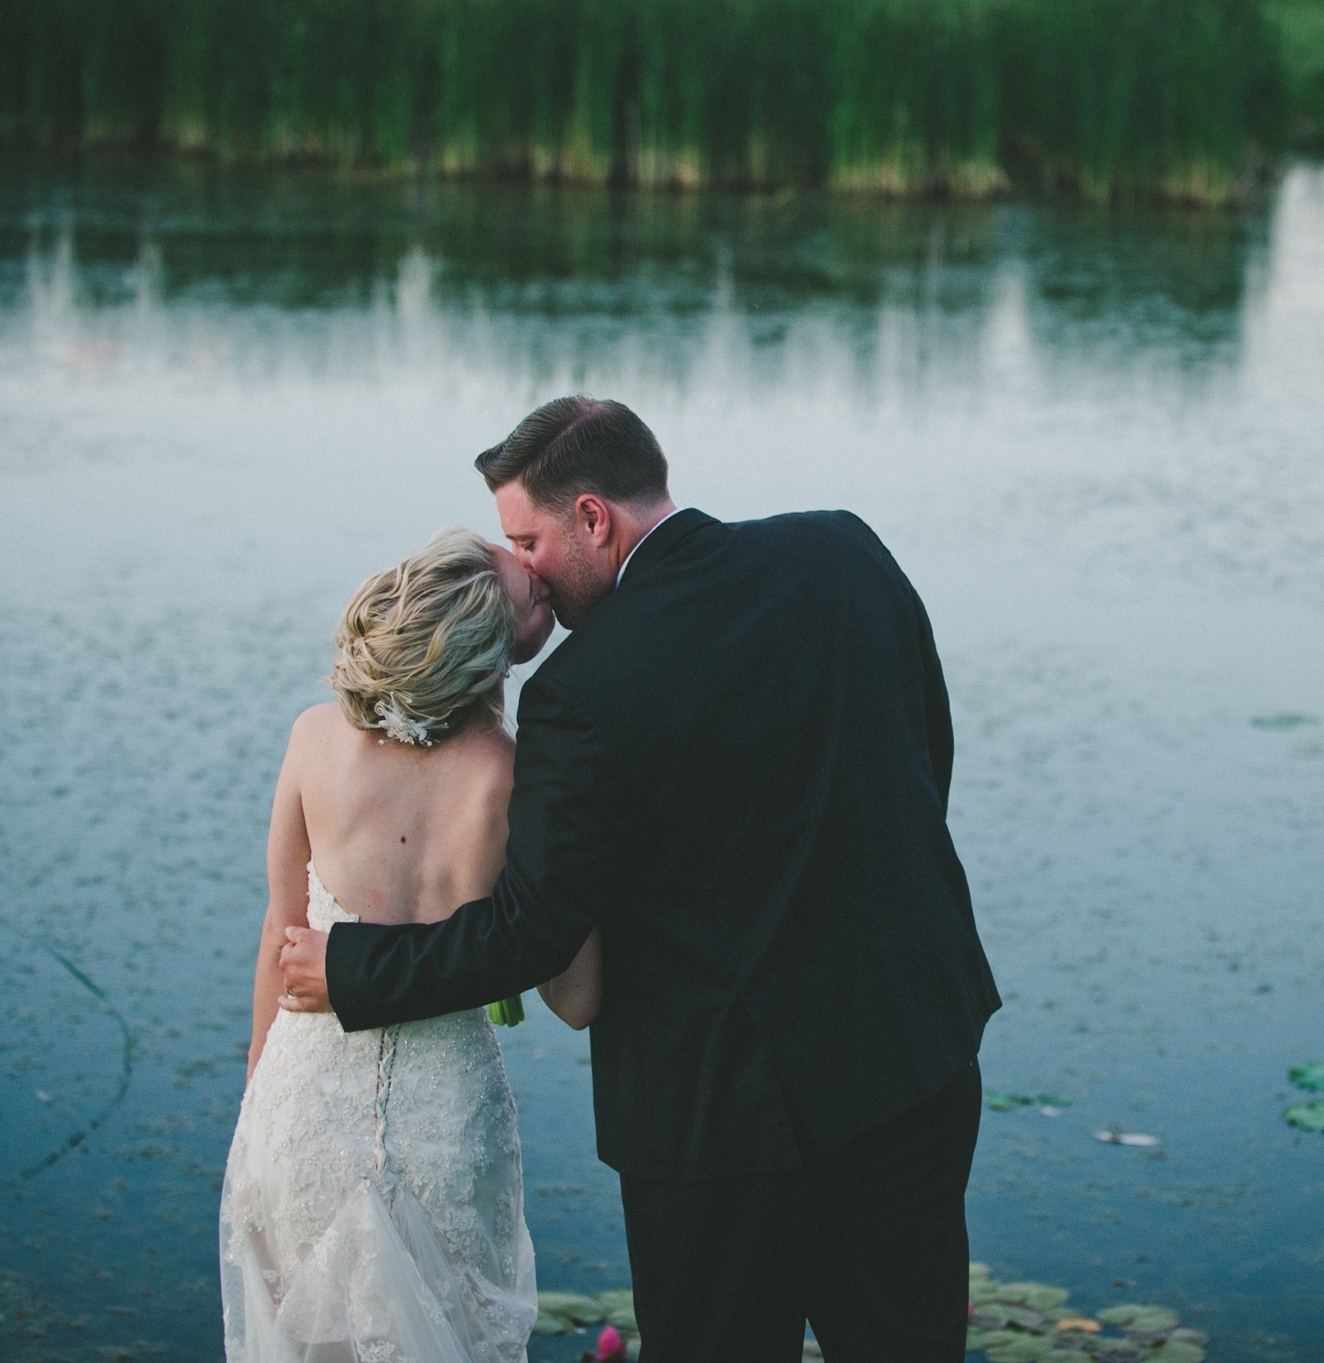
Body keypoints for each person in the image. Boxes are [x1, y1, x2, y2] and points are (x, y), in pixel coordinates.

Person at [279, 396, 1001, 1362]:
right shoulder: (842, 552)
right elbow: (926, 758)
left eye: (526, 538)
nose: (521, 568)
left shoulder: (581, 694)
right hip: (913, 1056)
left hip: (718, 1123)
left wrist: (354, 968)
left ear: (592, 517)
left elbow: (532, 933)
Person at [220, 527, 602, 1363]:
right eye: (530, 590)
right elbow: (576, 1000)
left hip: (300, 1107)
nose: (542, 577)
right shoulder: (516, 776)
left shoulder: (313, 740)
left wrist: (257, 1092)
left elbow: (280, 933)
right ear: (489, 648)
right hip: (444, 1125)